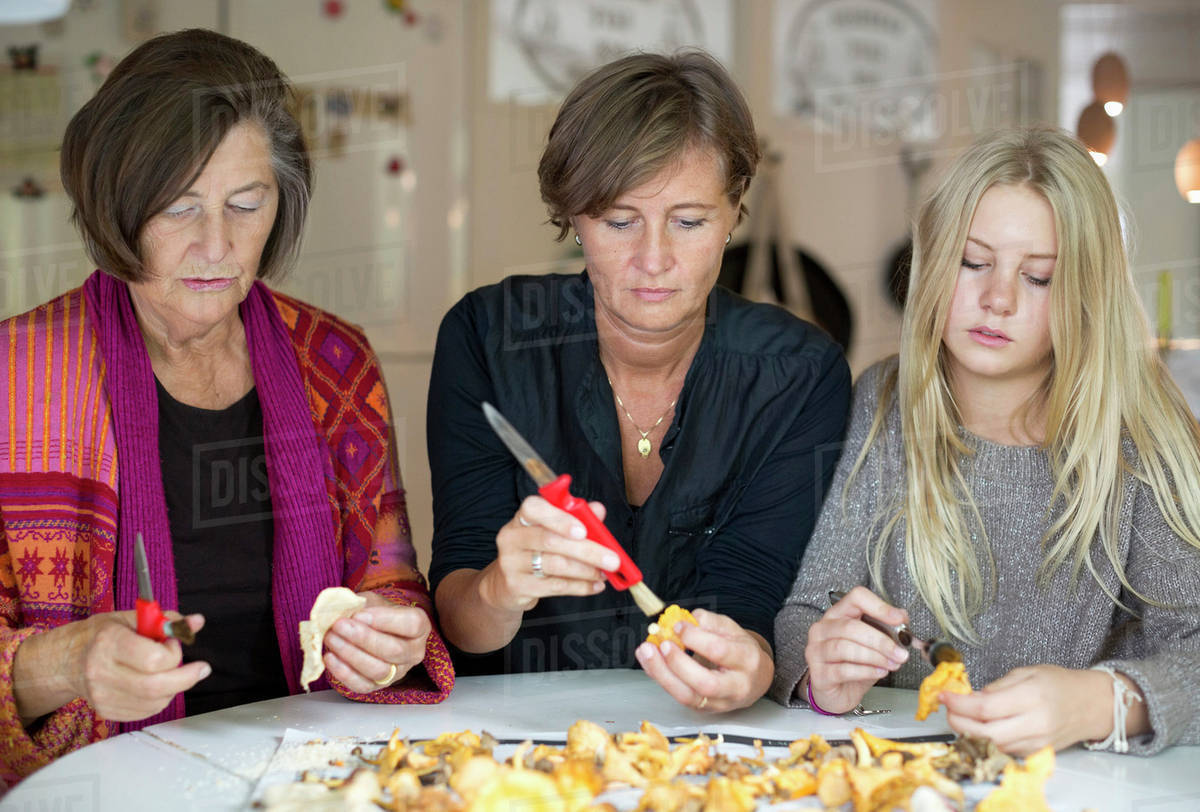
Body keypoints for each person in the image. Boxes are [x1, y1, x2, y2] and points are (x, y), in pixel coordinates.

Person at [0, 29, 453, 783]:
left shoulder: (335, 360)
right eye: (179, 210)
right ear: (115, 206)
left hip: (312, 779)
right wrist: (66, 663)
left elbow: (390, 574)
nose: (217, 245)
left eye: (247, 205)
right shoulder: (15, 378)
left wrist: (393, 640)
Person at [427, 51, 850, 713]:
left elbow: (753, 592)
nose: (653, 260)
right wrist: (498, 590)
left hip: (709, 743)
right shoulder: (489, 337)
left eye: (689, 221)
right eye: (620, 222)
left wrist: (750, 665)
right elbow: (461, 622)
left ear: (736, 210)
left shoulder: (797, 373)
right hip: (509, 739)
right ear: (573, 216)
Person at [772, 127, 1200, 755]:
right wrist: (821, 675)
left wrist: (1099, 702)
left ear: (1085, 294)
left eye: (1040, 278)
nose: (996, 299)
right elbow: (808, 611)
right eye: (973, 263)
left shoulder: (1143, 435)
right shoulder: (883, 400)